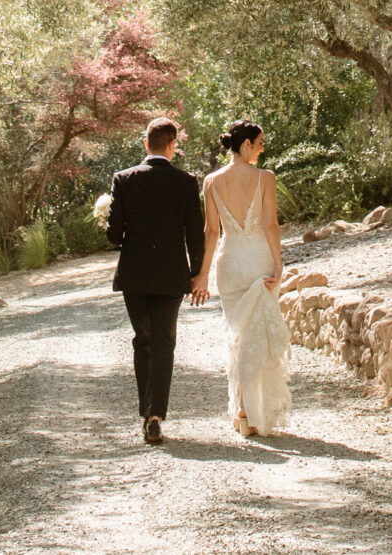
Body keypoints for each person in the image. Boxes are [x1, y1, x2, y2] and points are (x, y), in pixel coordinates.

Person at [104, 116, 204, 446]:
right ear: (172, 146)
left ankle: (146, 412)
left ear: (146, 144)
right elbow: (195, 235)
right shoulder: (187, 182)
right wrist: (196, 273)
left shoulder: (124, 179)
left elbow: (114, 236)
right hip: (171, 276)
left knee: (142, 340)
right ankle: (155, 415)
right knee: (164, 343)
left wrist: (114, 225)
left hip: (134, 275)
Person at [192, 119, 292, 438]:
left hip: (229, 262)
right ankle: (249, 411)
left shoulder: (211, 181)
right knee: (257, 334)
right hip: (259, 259)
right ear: (246, 144)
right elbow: (271, 225)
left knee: (237, 333)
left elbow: (210, 232)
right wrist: (279, 265)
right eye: (260, 143)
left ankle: (243, 412)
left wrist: (203, 276)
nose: (262, 149)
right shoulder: (265, 178)